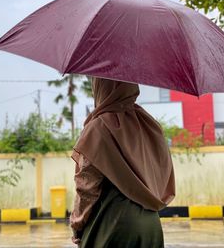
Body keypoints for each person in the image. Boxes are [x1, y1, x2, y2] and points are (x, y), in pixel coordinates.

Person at [70, 78, 175, 248]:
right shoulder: (150, 125)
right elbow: (163, 172)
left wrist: (77, 224)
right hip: (151, 226)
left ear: (101, 87)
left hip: (114, 225)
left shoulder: (99, 127)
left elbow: (87, 188)